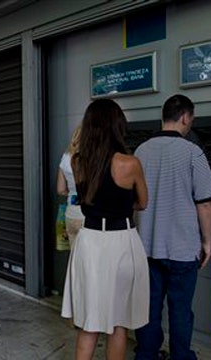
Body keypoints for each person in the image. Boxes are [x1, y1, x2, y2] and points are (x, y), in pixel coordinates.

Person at [61, 98, 149, 360]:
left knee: (90, 321)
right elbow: (143, 202)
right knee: (118, 321)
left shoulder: (78, 162)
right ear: (117, 125)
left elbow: (89, 195)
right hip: (121, 240)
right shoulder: (129, 163)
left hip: (89, 242)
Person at [133, 95, 211, 360]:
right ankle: (181, 356)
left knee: (148, 308)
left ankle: (147, 354)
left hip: (147, 247)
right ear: (184, 117)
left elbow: (134, 200)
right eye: (191, 118)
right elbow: (204, 205)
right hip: (182, 250)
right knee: (181, 310)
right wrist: (207, 242)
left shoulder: (140, 151)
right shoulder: (193, 152)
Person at [56, 125, 84, 248]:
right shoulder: (93, 158)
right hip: (87, 215)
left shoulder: (66, 157)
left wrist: (72, 193)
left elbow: (60, 189)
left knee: (74, 257)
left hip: (71, 213)